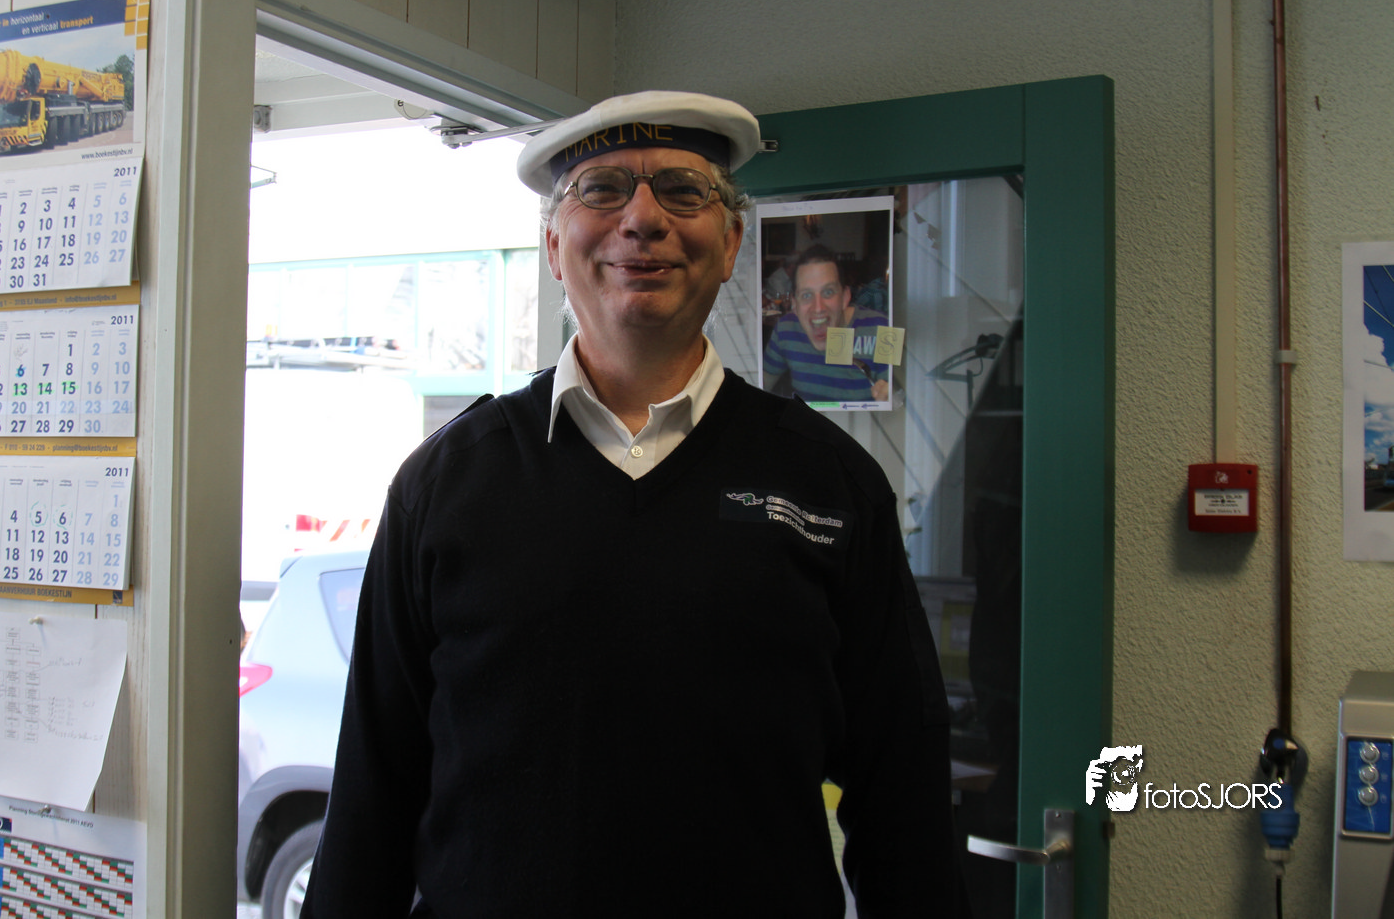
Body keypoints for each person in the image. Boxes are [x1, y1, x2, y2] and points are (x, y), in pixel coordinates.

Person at [300, 91, 965, 917]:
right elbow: (371, 798)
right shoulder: (443, 485)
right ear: (553, 245)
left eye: (683, 190)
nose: (642, 218)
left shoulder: (830, 482)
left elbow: (902, 794)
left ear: (731, 242)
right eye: (602, 188)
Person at [764, 244, 891, 403]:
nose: (818, 308)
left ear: (845, 297)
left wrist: (891, 401)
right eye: (806, 295)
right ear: (794, 304)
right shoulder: (785, 329)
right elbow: (761, 384)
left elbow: (900, 399)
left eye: (828, 292)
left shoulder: (884, 329)